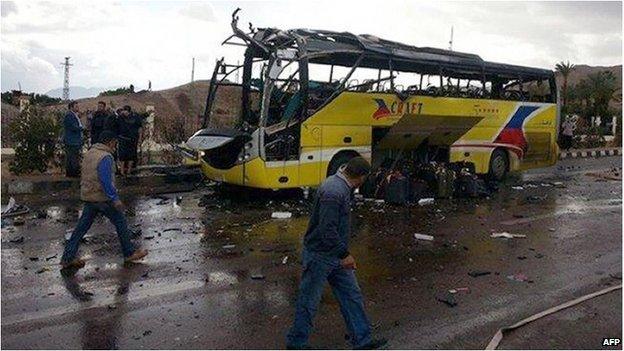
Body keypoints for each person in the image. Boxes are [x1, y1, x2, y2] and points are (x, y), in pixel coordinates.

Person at [286, 157, 387, 350]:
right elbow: (327, 230)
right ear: (360, 177)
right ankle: (296, 344)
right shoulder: (334, 191)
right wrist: (344, 254)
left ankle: (362, 340)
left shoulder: (339, 186)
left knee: (352, 296)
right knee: (309, 301)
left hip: (333, 254)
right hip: (320, 255)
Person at [60, 130, 148, 270]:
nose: (115, 145)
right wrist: (115, 198)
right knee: (121, 222)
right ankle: (129, 253)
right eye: (114, 143)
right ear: (110, 142)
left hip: (89, 196)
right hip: (102, 198)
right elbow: (105, 180)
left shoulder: (90, 153)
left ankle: (67, 258)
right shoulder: (105, 157)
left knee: (80, 229)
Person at [117, 105, 143, 176]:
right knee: (122, 155)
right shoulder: (120, 117)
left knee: (131, 155)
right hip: (122, 138)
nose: (124, 112)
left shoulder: (135, 117)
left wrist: (140, 138)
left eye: (126, 111)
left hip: (133, 139)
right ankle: (122, 171)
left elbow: (140, 128)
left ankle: (129, 171)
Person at [63, 101, 84, 177]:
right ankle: (74, 173)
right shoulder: (69, 115)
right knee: (73, 157)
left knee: (71, 157)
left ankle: (70, 173)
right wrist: (81, 128)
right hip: (72, 140)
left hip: (73, 140)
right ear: (71, 107)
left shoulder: (73, 115)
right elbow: (73, 127)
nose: (78, 108)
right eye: (76, 106)